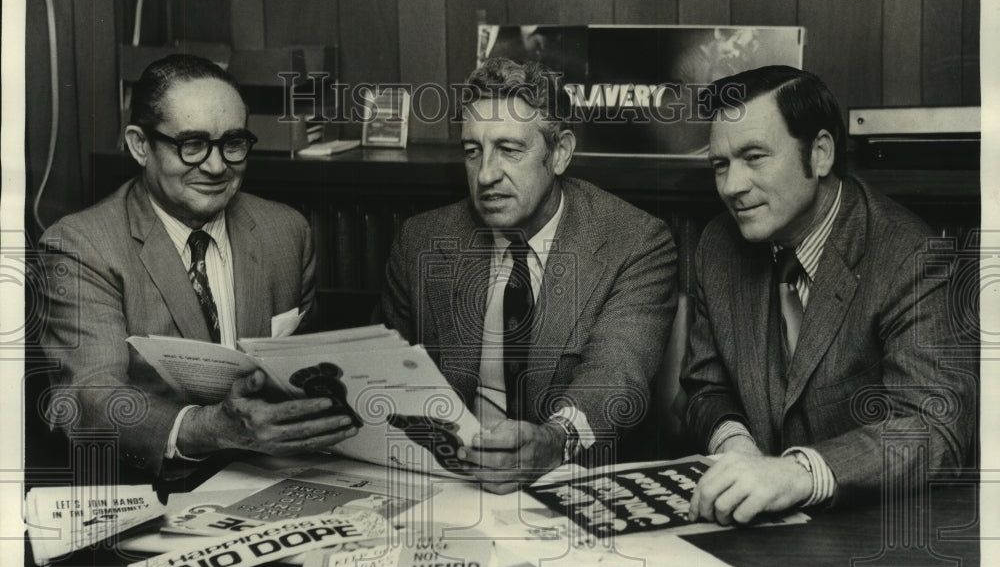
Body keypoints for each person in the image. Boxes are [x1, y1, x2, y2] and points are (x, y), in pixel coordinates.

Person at [38, 54, 357, 481]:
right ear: (139, 145)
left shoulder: (287, 232)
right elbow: (88, 397)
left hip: (275, 476)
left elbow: (306, 372)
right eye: (191, 144)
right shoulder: (83, 246)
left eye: (233, 143)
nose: (216, 165)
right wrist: (205, 430)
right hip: (157, 488)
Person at [682, 65, 974, 524]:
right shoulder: (718, 245)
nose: (732, 186)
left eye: (754, 157)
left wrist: (796, 474)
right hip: (749, 530)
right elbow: (705, 387)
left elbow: (933, 429)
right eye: (721, 164)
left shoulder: (910, 256)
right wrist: (735, 446)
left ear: (819, 154)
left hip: (871, 536)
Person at [379, 58, 677, 493]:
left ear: (559, 153)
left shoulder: (633, 242)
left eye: (510, 150)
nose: (485, 175)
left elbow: (615, 377)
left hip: (569, 484)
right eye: (472, 151)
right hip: (445, 485)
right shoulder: (421, 240)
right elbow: (385, 376)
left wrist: (554, 442)